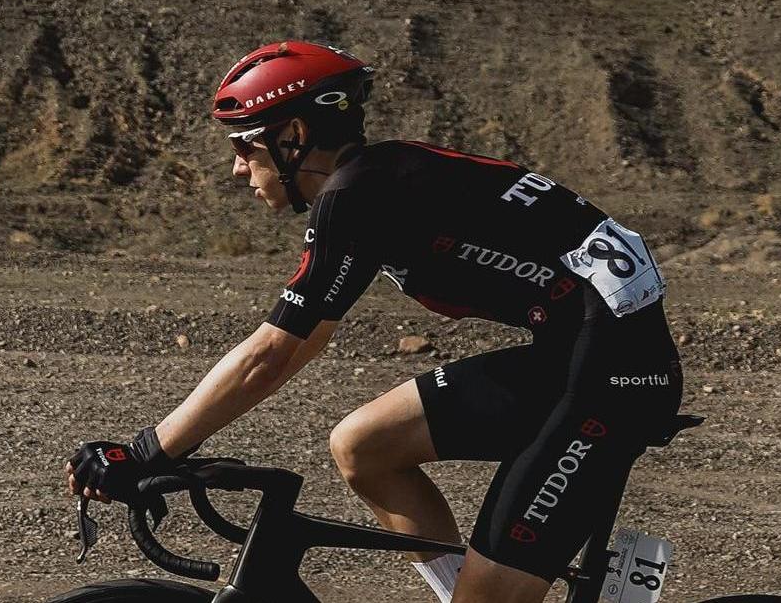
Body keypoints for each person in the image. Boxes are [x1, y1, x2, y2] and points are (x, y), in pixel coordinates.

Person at [66, 41, 683, 603]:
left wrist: (148, 450)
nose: (237, 169)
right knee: (364, 447)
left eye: (244, 147)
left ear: (294, 136)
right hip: (579, 355)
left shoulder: (358, 196)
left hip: (610, 380)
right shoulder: (383, 178)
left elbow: (273, 353)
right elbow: (294, 343)